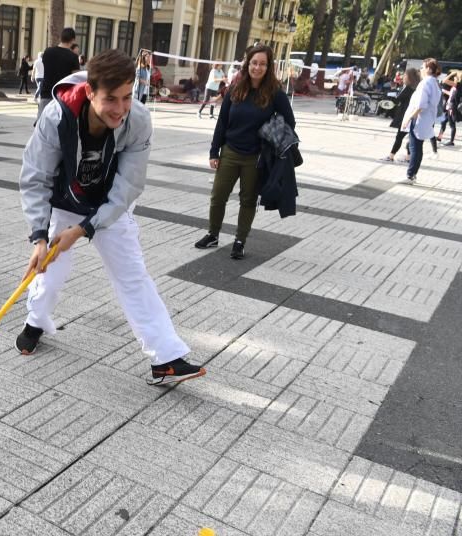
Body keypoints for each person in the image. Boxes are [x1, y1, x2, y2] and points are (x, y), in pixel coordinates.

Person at [15, 49, 205, 386]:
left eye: (127, 97)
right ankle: (35, 321)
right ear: (90, 92)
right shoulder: (56, 117)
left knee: (133, 276)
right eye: (110, 99)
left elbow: (129, 184)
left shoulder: (138, 121)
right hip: (66, 199)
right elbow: (36, 177)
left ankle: (166, 357)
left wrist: (87, 228)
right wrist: (40, 237)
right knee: (51, 269)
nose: (120, 108)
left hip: (109, 205)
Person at [194, 44, 295, 259]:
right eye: (254, 63)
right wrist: (214, 151)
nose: (257, 68)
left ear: (269, 67)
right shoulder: (236, 88)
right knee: (218, 196)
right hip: (230, 151)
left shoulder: (274, 92)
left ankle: (240, 241)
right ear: (247, 64)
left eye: (263, 64)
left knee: (248, 200)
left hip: (255, 157)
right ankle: (213, 234)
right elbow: (222, 122)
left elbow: (290, 121)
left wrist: (269, 135)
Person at [402, 58, 442, 184]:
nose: (421, 69)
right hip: (427, 119)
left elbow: (421, 104)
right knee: (418, 148)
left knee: (415, 148)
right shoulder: (435, 83)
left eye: (422, 67)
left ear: (429, 69)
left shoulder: (425, 83)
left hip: (419, 119)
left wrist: (409, 117)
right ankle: (412, 174)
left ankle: (410, 175)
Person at [379, 67, 419, 162]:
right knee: (410, 137)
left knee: (399, 137)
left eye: (405, 75)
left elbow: (398, 99)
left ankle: (391, 156)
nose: (403, 76)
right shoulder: (416, 87)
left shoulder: (408, 88)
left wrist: (392, 97)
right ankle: (408, 157)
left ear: (409, 77)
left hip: (405, 115)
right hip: (413, 115)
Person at [38, 28, 80, 118]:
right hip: (62, 97)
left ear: (61, 38)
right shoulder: (73, 57)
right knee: (59, 128)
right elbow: (76, 78)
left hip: (46, 94)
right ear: (72, 40)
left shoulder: (48, 52)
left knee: (41, 126)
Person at [437, 74, 458, 146]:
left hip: (451, 107)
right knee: (444, 122)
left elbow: (445, 80)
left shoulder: (456, 85)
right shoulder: (454, 86)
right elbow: (451, 94)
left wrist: (452, 74)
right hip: (448, 106)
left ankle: (451, 141)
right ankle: (440, 137)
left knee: (452, 124)